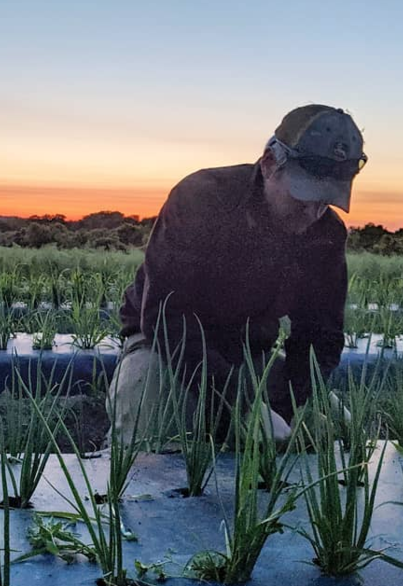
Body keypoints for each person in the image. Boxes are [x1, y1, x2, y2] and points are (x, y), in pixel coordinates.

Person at [109, 104, 366, 447]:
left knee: (341, 435)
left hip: (249, 354)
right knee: (153, 438)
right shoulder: (202, 198)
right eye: (304, 193)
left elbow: (322, 335)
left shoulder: (326, 234)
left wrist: (286, 405)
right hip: (165, 348)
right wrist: (242, 406)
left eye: (327, 199)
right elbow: (166, 317)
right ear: (270, 164)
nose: (313, 210)